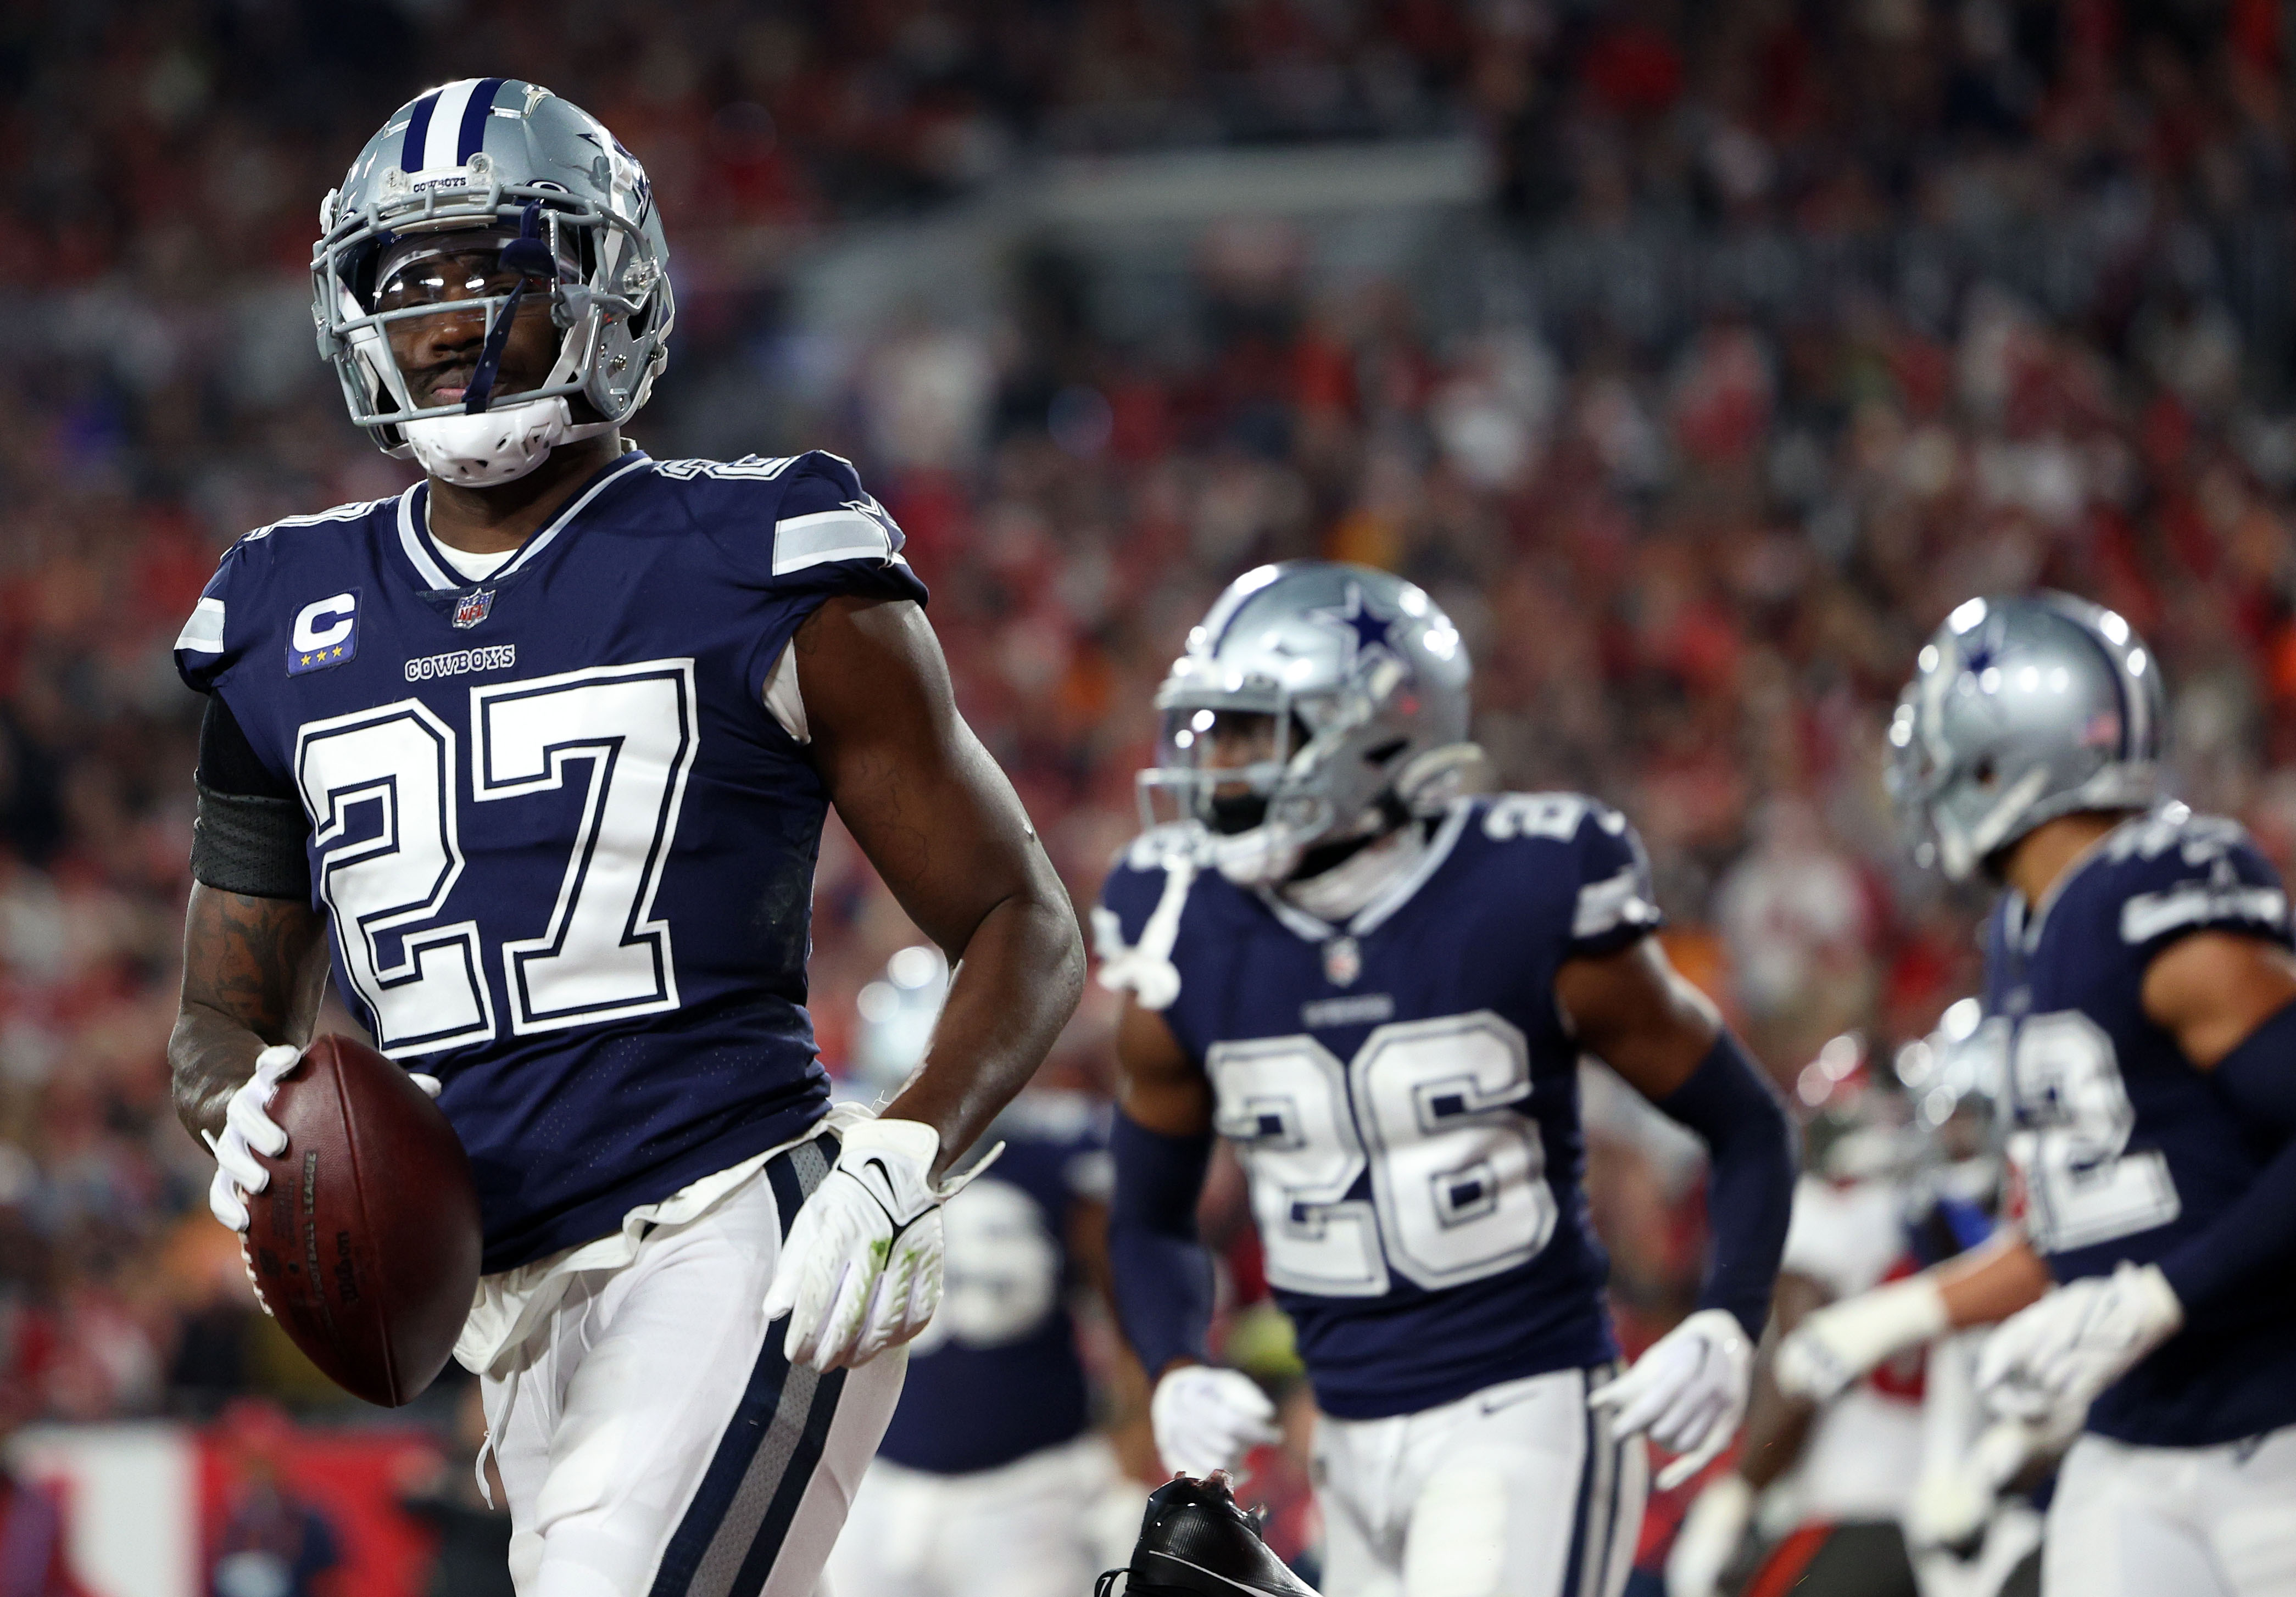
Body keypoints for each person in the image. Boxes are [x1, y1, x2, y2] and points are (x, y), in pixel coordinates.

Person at [165, 78, 1083, 1597]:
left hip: (724, 1229)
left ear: (609, 286)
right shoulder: (278, 610)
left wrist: (907, 1145)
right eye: (408, 284)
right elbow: (221, 1014)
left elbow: (1018, 918)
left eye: (489, 270)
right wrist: (239, 1106)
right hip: (496, 1293)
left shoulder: (759, 550)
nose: (447, 320)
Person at [1095, 561, 1797, 1597]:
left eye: (1253, 730)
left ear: (1373, 732)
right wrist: (1174, 1364)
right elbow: (1148, 1212)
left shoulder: (1525, 890)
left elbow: (1745, 1124)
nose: (1219, 764)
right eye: (1212, 730)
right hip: (1339, 1431)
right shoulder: (1179, 919)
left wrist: (1725, 1317)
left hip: (1525, 1412)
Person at [1773, 593, 2296, 1597]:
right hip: (2130, 1442)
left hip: (2273, 1429)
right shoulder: (2026, 930)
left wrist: (2162, 1294)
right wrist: (1896, 1317)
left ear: (2006, 756)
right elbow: (2081, 1220)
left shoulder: (2155, 897)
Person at [824, 948, 1134, 1597]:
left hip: (1024, 1485)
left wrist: (1133, 1443)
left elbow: (1130, 1303)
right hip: (870, 1480)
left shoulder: (1057, 1155)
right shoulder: (841, 1154)